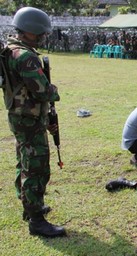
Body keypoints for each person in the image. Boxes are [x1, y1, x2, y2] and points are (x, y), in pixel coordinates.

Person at [1, 7, 65, 237]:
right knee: (36, 168)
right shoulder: (26, 56)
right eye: (41, 33)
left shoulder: (11, 50)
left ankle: (30, 207)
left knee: (24, 162)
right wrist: (53, 91)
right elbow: (42, 91)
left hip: (20, 116)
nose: (43, 37)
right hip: (28, 118)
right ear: (31, 31)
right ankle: (36, 220)